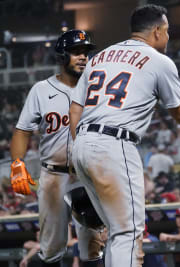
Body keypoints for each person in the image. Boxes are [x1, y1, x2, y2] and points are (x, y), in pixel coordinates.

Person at [68, 5, 180, 267]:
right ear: (156, 30)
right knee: (128, 232)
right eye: (166, 31)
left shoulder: (99, 57)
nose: (167, 37)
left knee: (113, 229)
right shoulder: (158, 60)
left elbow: (75, 109)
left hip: (83, 142)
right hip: (115, 144)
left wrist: (78, 150)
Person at [9, 30, 103, 267]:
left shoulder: (99, 89)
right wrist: (17, 163)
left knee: (93, 247)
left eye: (86, 52)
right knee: (51, 248)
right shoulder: (41, 90)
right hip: (54, 175)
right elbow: (22, 131)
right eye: (76, 52)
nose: (83, 57)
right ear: (62, 56)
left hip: (88, 173)